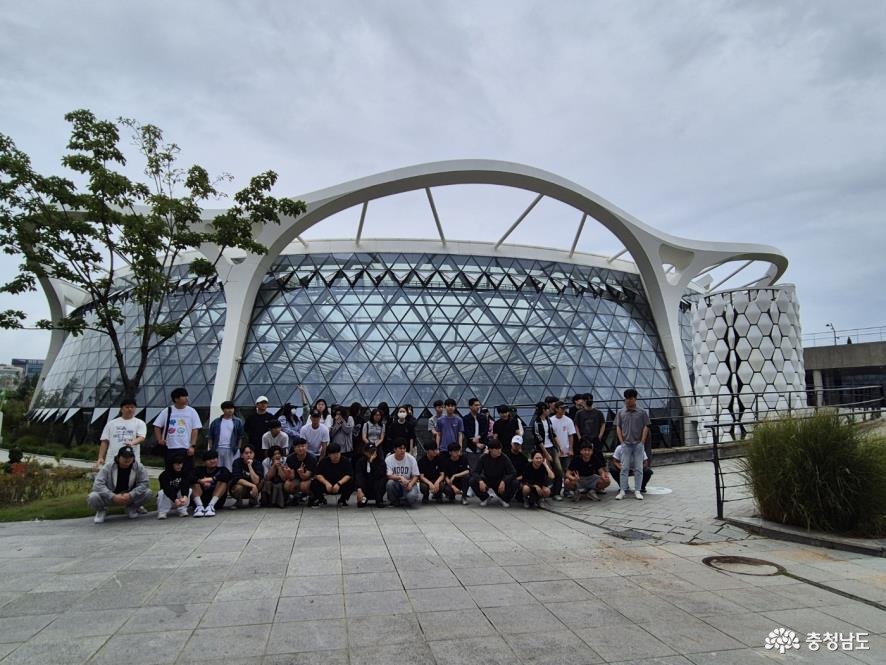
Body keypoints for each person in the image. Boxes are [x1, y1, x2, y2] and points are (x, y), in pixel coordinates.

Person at [88, 445, 153, 523]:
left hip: (129, 496)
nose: (127, 459)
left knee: (148, 492)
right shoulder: (108, 466)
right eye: (124, 456)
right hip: (110, 496)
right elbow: (97, 484)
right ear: (119, 457)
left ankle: (132, 508)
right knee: (93, 496)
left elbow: (145, 483)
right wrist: (113, 496)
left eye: (130, 457)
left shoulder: (139, 467)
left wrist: (131, 494)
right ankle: (101, 511)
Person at [153, 387, 201, 475]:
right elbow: (157, 426)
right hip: (170, 447)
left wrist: (192, 446)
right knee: (170, 470)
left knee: (187, 471)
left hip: (185, 447)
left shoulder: (191, 411)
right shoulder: (167, 411)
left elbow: (195, 429)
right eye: (184, 396)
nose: (187, 398)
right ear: (176, 399)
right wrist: (159, 440)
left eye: (187, 396)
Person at [615, 388, 650, 500]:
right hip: (626, 444)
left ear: (635, 399)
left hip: (638, 444)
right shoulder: (621, 412)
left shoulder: (642, 412)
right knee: (624, 468)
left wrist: (642, 441)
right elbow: (618, 427)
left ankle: (637, 490)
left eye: (630, 398)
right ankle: (622, 490)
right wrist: (621, 441)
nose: (628, 401)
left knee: (639, 468)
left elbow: (646, 426)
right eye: (626, 398)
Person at [97, 398, 147, 467]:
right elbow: (104, 441)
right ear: (121, 409)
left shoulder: (140, 423)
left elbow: (141, 437)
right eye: (127, 407)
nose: (130, 409)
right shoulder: (111, 423)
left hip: (131, 459)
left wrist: (132, 442)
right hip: (112, 458)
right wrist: (100, 457)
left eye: (132, 407)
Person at [470, 440, 517, 507]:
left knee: (515, 482)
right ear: (490, 450)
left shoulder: (504, 458)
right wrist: (480, 481)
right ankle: (485, 498)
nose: (499, 451)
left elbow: (513, 472)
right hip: (487, 479)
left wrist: (504, 481)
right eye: (497, 449)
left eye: (500, 449)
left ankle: (504, 499)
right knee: (472, 481)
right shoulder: (483, 458)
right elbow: (475, 472)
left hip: (500, 480)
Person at [532, 401, 563, 500]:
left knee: (559, 470)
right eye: (547, 409)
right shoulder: (536, 423)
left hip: (552, 448)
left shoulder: (548, 420)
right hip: (542, 450)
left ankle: (556, 492)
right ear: (543, 410)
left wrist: (559, 446)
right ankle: (544, 492)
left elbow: (552, 434)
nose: (549, 410)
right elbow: (538, 439)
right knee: (546, 471)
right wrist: (545, 453)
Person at [309, 442, 354, 507]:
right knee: (314, 483)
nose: (336, 456)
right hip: (327, 484)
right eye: (333, 454)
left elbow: (349, 475)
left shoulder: (346, 461)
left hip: (340, 484)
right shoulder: (324, 461)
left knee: (351, 482)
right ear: (329, 454)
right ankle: (321, 499)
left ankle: (343, 499)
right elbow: (318, 474)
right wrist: (326, 483)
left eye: (337, 453)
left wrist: (339, 483)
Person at [191, 450, 232, 517]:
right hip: (200, 500)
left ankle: (210, 506)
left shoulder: (222, 469)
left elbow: (228, 476)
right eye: (209, 459)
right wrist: (201, 481)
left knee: (223, 482)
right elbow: (189, 477)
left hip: (216, 502)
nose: (212, 461)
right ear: (204, 461)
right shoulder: (199, 470)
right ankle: (199, 507)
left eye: (214, 458)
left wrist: (212, 479)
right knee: (194, 483)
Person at [207, 400, 244, 471]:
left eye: (232, 408)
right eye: (227, 408)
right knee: (217, 468)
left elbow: (240, 436)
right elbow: (210, 436)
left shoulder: (238, 421)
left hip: (232, 449)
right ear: (223, 410)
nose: (230, 410)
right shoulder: (216, 422)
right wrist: (211, 448)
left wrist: (238, 448)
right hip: (218, 449)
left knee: (231, 469)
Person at [550, 401, 577, 494]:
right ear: (556, 409)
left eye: (564, 408)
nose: (564, 410)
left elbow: (571, 436)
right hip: (555, 451)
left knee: (567, 470)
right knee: (557, 471)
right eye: (562, 408)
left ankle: (567, 490)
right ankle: (556, 491)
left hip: (566, 451)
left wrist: (571, 449)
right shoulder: (551, 420)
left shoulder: (569, 420)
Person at [385, 439, 420, 507]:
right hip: (397, 483)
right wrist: (400, 477)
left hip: (409, 483)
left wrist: (411, 484)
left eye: (404, 448)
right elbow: (388, 475)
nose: (403, 450)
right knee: (390, 483)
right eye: (400, 448)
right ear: (395, 449)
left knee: (411, 497)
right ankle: (394, 501)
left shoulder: (411, 458)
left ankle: (404, 500)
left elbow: (416, 475)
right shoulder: (388, 459)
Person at [157, 453, 190, 519]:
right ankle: (162, 512)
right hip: (169, 498)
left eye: (181, 464)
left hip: (179, 498)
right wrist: (175, 499)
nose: (179, 466)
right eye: (177, 464)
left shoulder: (184, 473)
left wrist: (185, 496)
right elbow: (167, 488)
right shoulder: (164, 475)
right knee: (161, 492)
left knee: (189, 490)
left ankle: (182, 509)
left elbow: (185, 485)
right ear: (172, 465)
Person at [245, 396, 279, 461]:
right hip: (254, 445)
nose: (264, 405)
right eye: (261, 403)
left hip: (267, 445)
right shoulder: (251, 418)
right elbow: (246, 431)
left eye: (265, 403)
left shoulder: (271, 417)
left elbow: (275, 431)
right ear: (257, 405)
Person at [284, 438, 317, 503]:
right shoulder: (290, 458)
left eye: (303, 446)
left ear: (306, 446)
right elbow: (292, 477)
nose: (301, 449)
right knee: (287, 485)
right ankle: (296, 496)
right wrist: (288, 473)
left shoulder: (312, 458)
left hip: (310, 478)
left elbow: (306, 476)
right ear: (294, 448)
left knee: (304, 486)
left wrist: (301, 473)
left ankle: (312, 496)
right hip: (297, 478)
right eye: (298, 447)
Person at [230, 444, 263, 508]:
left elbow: (256, 481)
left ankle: (253, 500)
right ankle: (238, 501)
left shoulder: (258, 463)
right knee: (238, 487)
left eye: (251, 453)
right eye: (246, 453)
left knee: (261, 481)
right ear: (242, 455)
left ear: (254, 454)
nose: (249, 455)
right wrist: (252, 485)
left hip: (253, 489)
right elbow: (237, 479)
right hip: (243, 488)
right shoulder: (237, 463)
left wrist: (250, 466)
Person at [354, 442, 387, 508]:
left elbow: (379, 474)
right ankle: (363, 499)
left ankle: (379, 499)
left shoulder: (381, 461)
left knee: (383, 479)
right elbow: (358, 475)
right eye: (370, 451)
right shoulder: (360, 462)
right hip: (366, 488)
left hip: (377, 487)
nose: (372, 453)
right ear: (365, 452)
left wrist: (372, 463)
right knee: (361, 504)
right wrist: (359, 489)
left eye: (374, 451)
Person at [462, 397, 489, 464]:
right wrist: (476, 443)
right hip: (471, 448)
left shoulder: (483, 417)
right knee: (473, 468)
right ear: (470, 406)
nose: (478, 407)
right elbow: (467, 432)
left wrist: (479, 436)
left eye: (479, 405)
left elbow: (485, 430)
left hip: (483, 447)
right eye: (476, 405)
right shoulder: (466, 419)